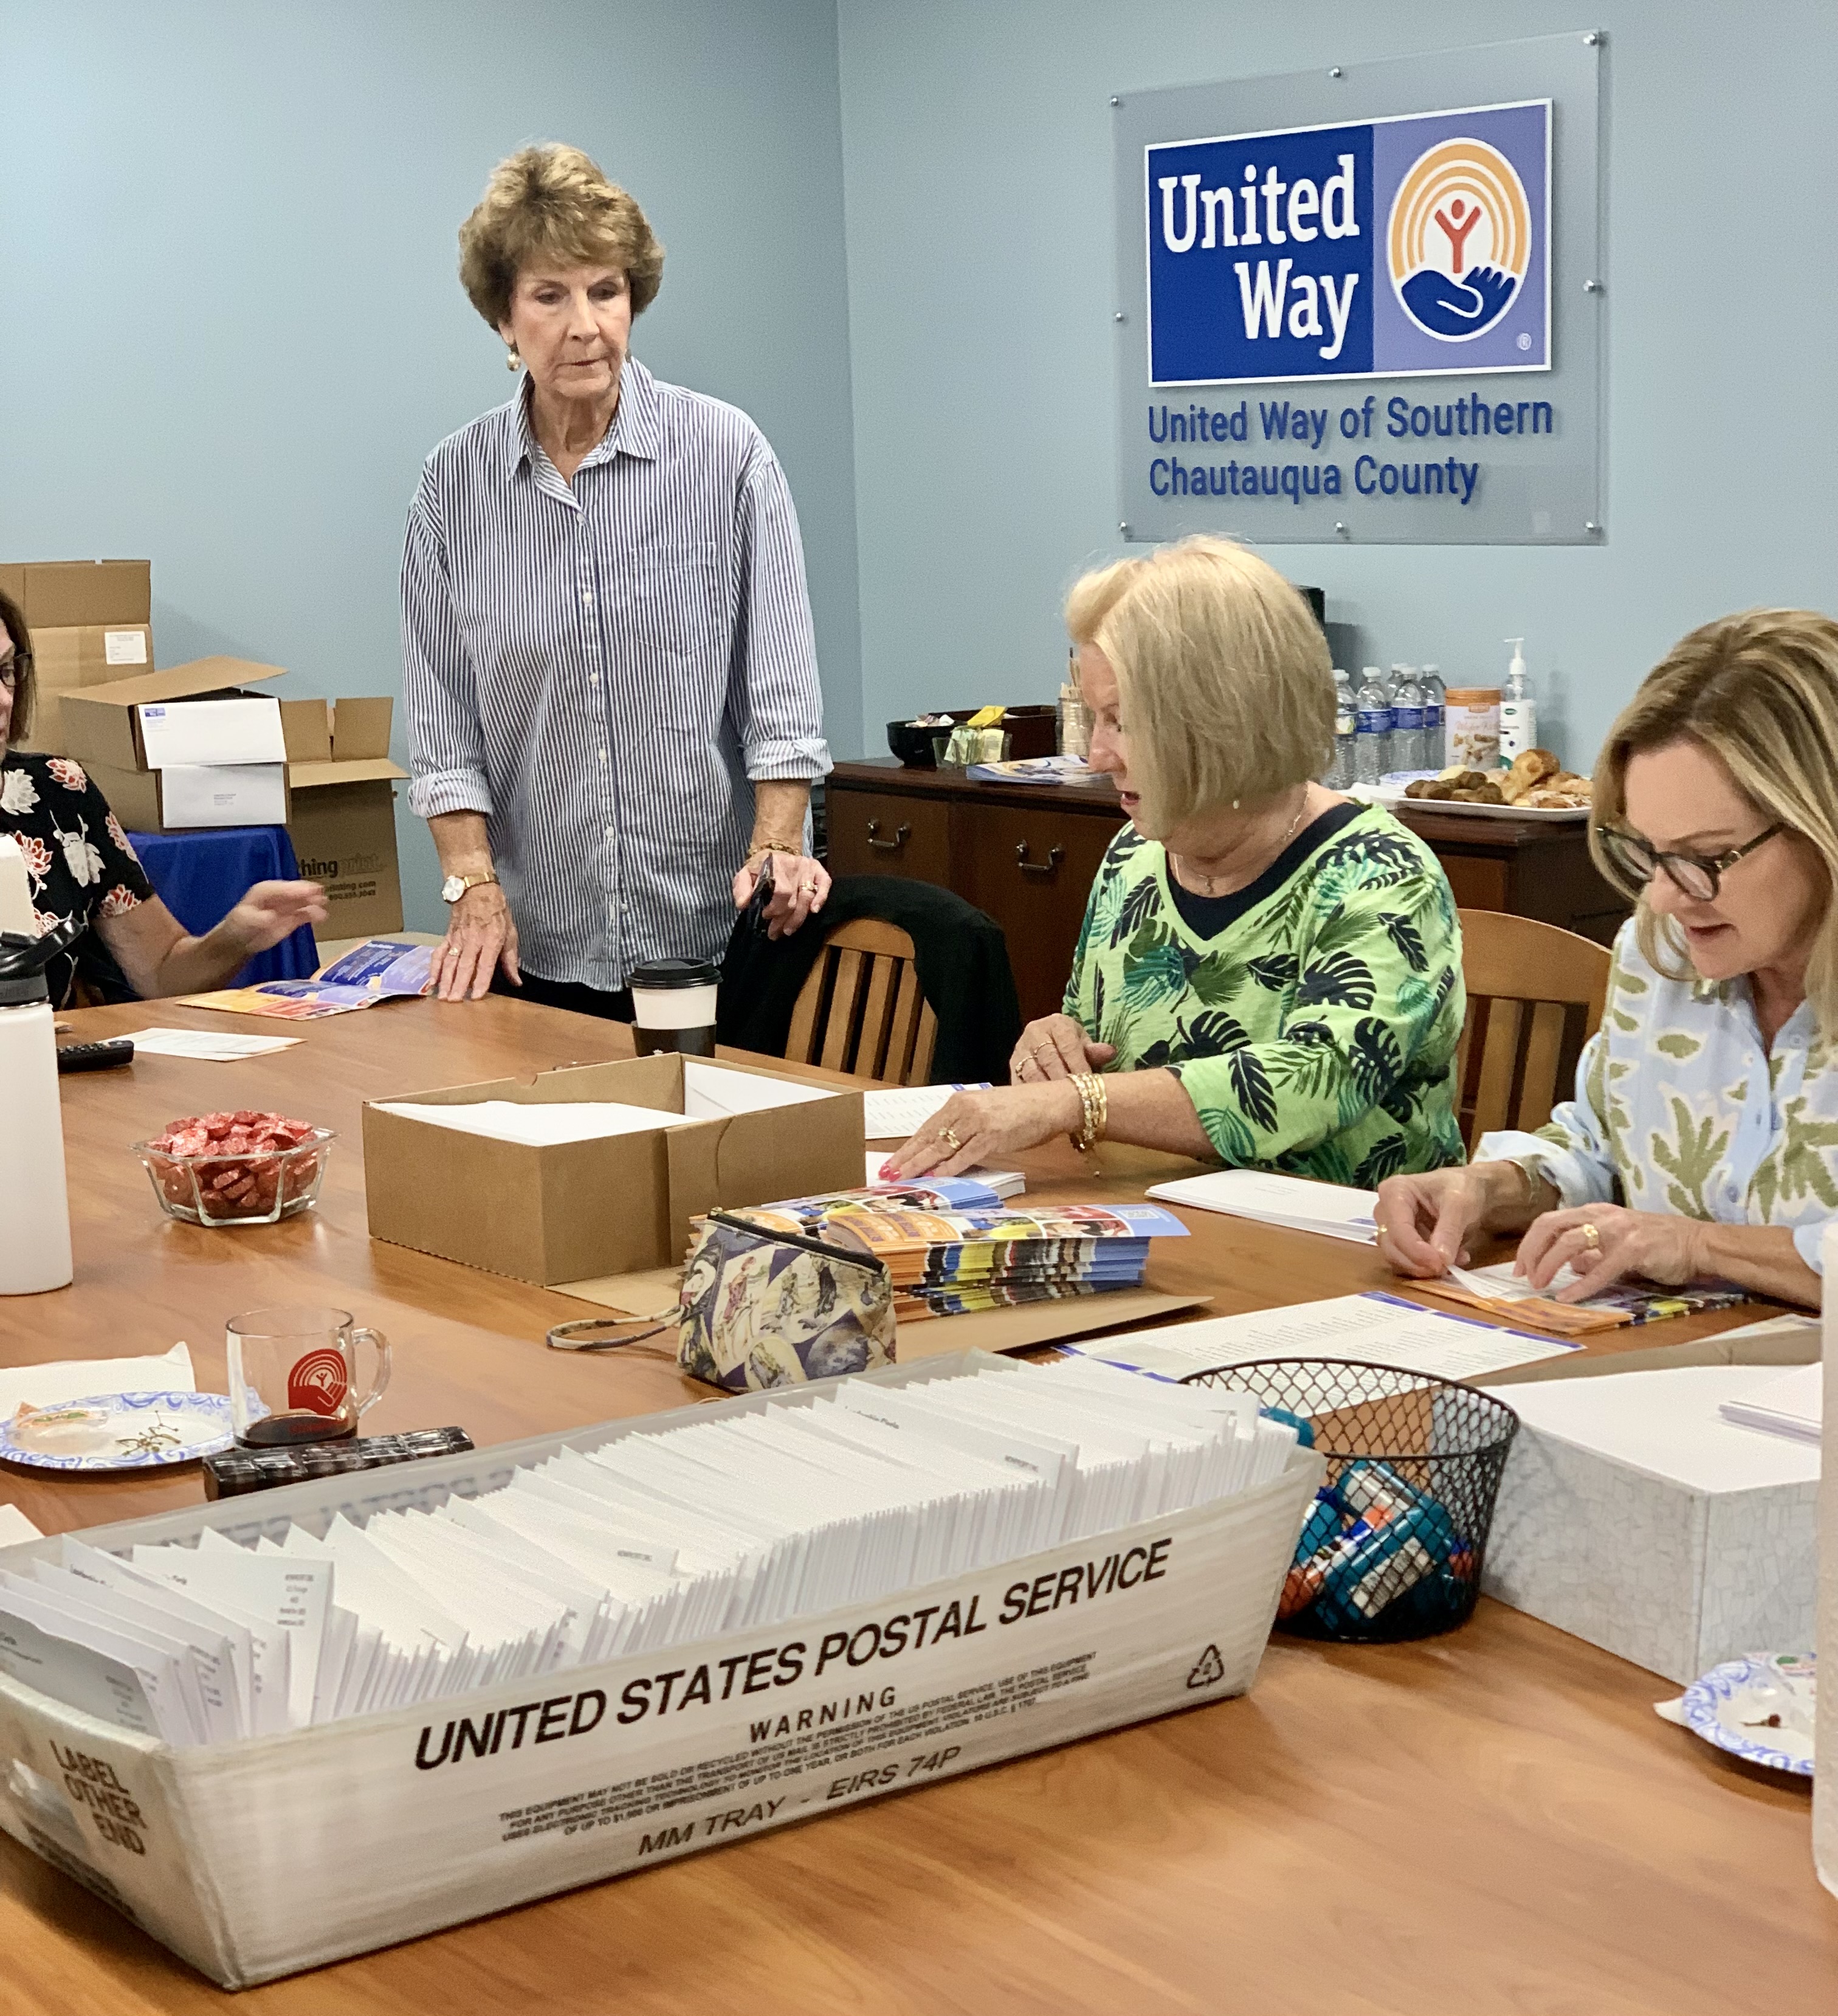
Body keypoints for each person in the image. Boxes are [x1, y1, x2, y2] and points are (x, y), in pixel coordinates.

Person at [402, 143, 831, 1014]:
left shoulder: (728, 455)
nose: (585, 325)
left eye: (606, 290)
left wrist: (776, 846)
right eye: (549, 296)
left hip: (719, 933)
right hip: (537, 945)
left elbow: (781, 705)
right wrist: (470, 886)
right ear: (503, 319)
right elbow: (443, 727)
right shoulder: (454, 487)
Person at [888, 537, 1466, 1182]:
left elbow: (1312, 1084)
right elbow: (1094, 1047)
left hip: (1339, 1252)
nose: (1097, 755)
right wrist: (1053, 1048)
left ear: (1218, 722)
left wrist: (1071, 1101)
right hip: (1154, 1219)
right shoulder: (1135, 853)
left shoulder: (1382, 874)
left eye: (1122, 722)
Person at [1375, 608, 1838, 1311]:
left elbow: (1676, 1237)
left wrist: (1698, 1245)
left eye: (1707, 857)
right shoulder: (1659, 957)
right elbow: (1598, 1143)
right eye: (1648, 853)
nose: (1663, 896)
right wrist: (1493, 1188)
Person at [0, 593, 325, 1007]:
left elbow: (161, 973)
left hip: (51, 1067)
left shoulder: (59, 791)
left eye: (6, 671)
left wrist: (235, 937)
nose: (5, 699)